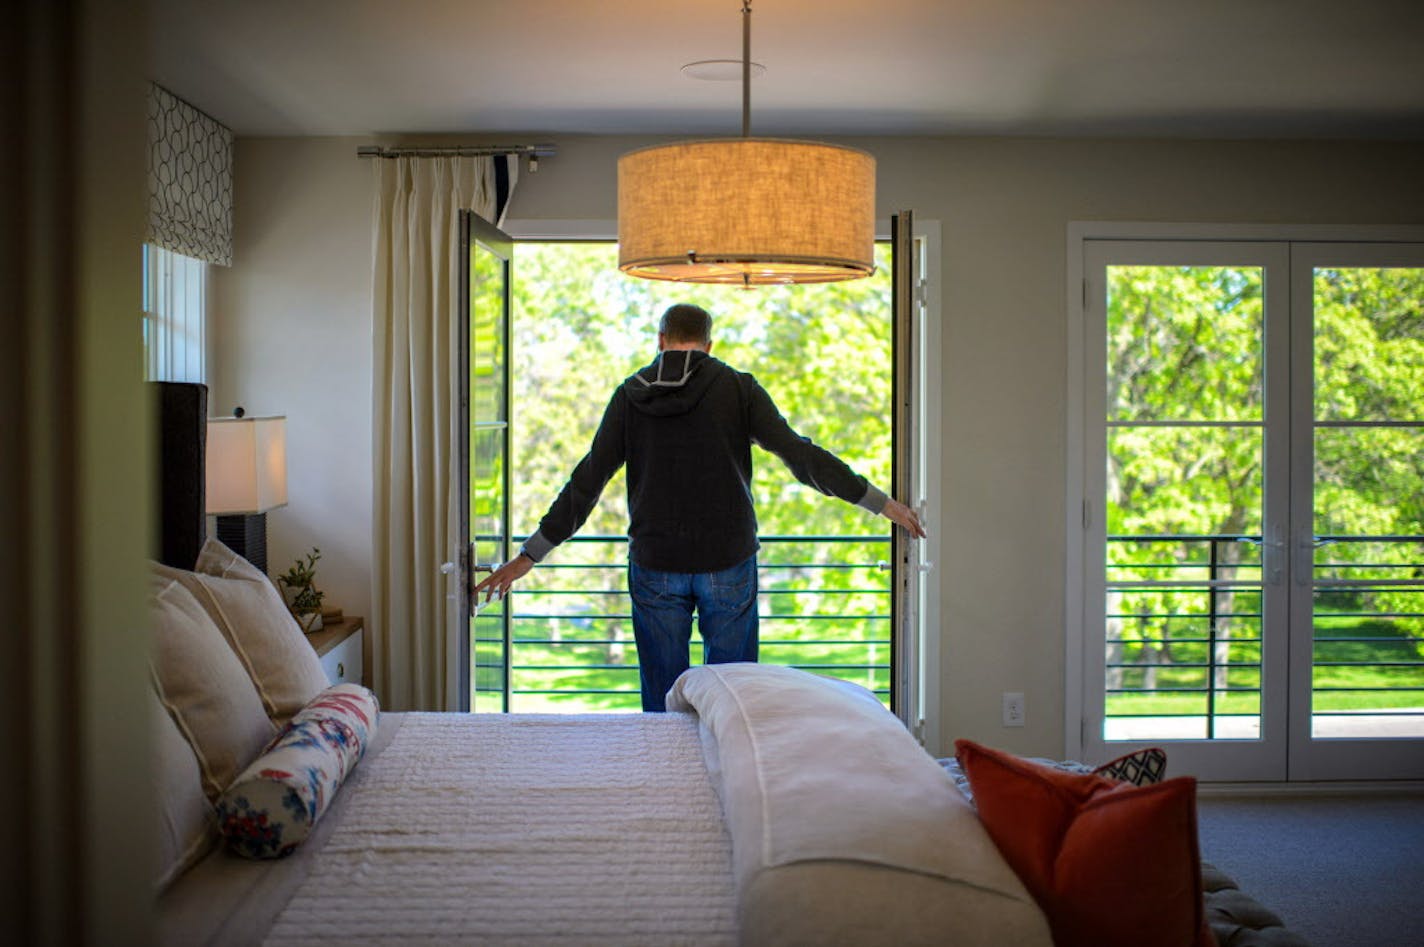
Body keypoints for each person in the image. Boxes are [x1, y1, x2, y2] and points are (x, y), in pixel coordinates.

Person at [474, 303, 926, 711]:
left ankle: (667, 789)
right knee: (734, 696)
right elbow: (799, 455)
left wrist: (528, 556)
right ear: (709, 345)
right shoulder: (737, 388)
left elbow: (587, 480)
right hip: (727, 561)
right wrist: (879, 502)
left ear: (660, 340)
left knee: (663, 699)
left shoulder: (629, 395)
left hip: (655, 564)